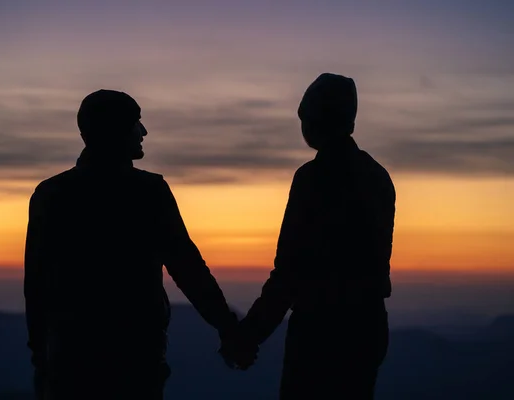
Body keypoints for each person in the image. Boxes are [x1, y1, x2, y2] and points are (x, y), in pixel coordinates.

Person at [24, 89, 242, 400]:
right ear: (114, 130)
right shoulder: (148, 192)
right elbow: (187, 268)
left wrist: (40, 355)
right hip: (136, 358)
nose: (143, 132)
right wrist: (227, 326)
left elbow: (36, 282)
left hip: (70, 360)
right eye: (135, 123)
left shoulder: (51, 194)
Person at [222, 73, 396, 399]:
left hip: (321, 330)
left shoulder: (313, 178)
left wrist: (250, 334)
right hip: (367, 326)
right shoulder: (378, 176)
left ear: (315, 120)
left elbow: (290, 270)